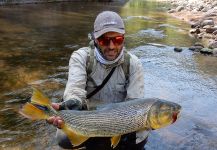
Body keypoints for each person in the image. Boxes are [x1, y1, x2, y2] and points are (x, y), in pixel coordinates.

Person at [47, 11, 149, 150]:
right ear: (95, 39)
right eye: (104, 40)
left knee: (139, 136)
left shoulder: (133, 64)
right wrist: (74, 102)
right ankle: (95, 140)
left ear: (123, 39)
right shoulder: (81, 58)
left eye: (117, 39)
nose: (112, 46)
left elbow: (136, 103)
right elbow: (75, 89)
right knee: (64, 138)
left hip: (121, 121)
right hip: (91, 119)